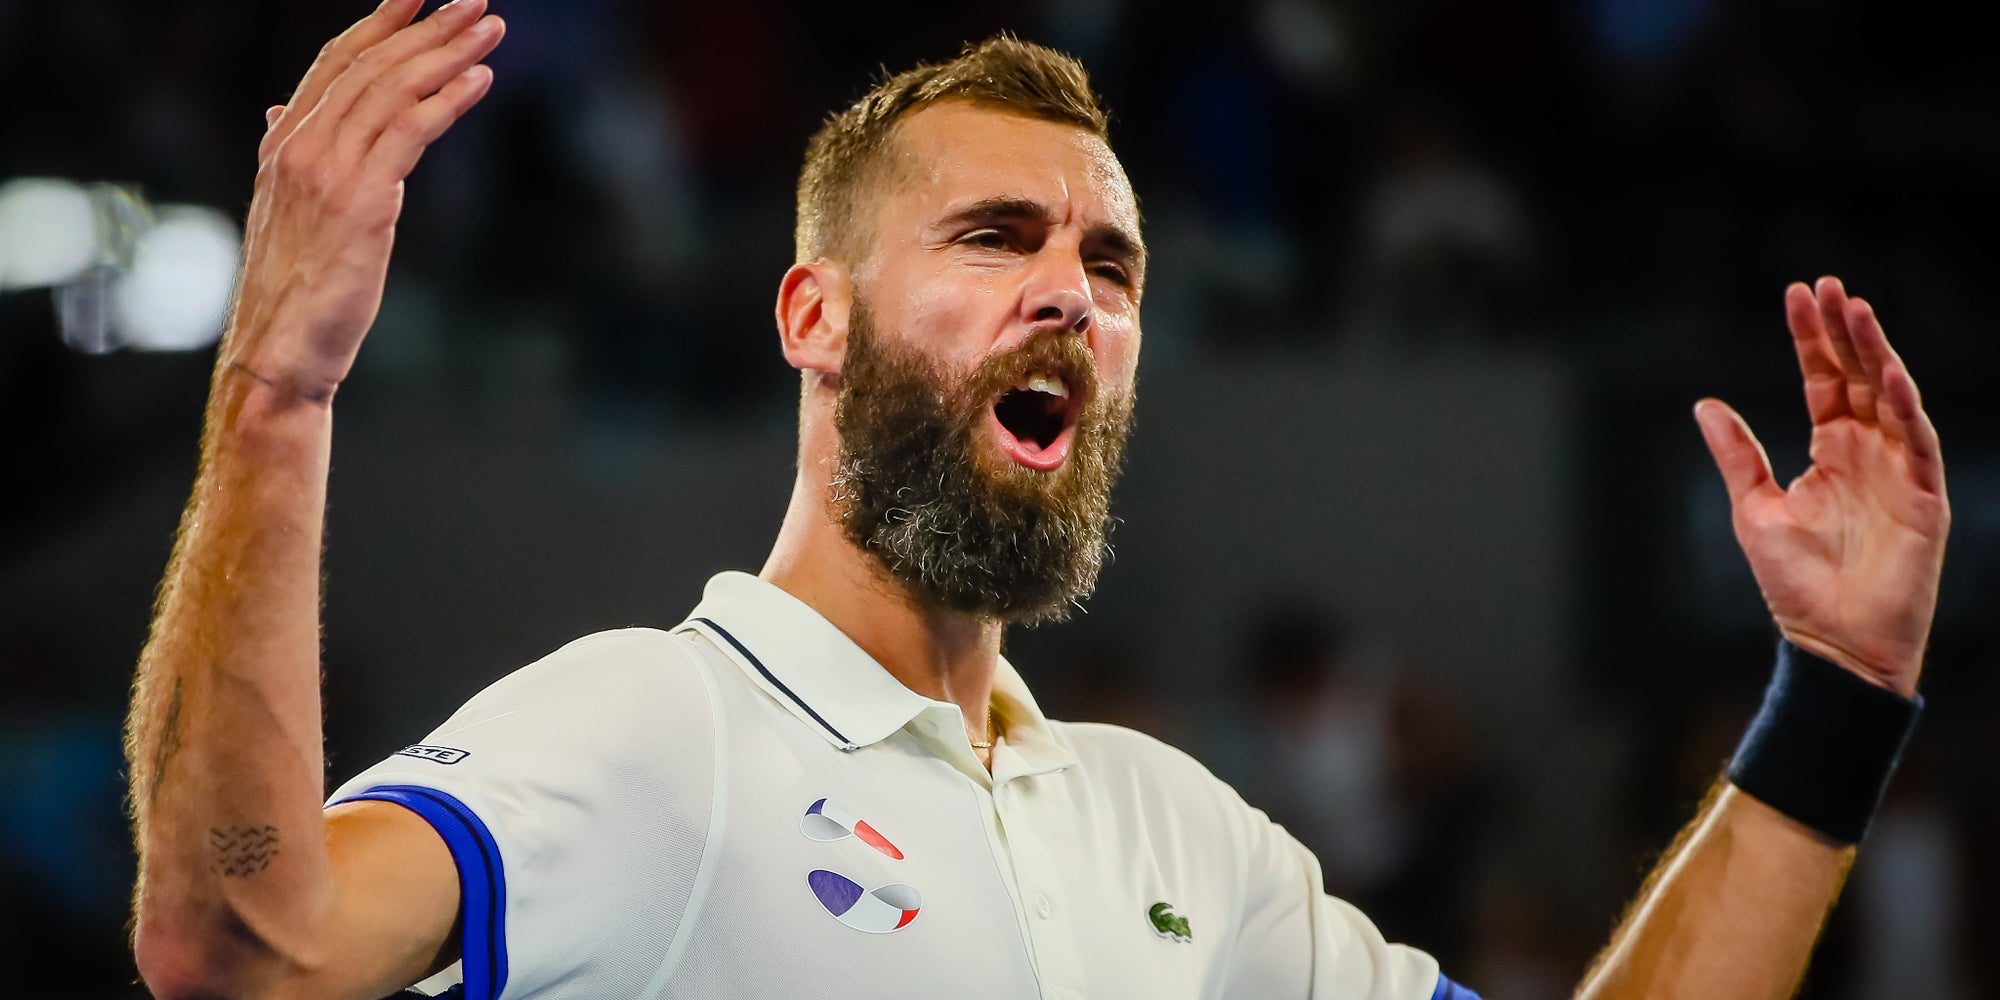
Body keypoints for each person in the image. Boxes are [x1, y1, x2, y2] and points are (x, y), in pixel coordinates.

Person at [123, 2, 1951, 998]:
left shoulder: (1182, 841)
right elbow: (236, 951)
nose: (1073, 290)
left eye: (1115, 262)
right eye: (996, 235)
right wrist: (274, 392)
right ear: (811, 318)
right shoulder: (649, 729)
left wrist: (1836, 700)